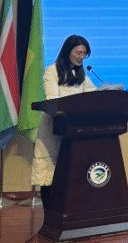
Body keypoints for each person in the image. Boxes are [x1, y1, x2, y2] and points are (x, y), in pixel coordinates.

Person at [30, 35, 96, 201]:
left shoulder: (81, 75)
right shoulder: (52, 71)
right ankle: (51, 208)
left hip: (74, 130)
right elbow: (52, 99)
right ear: (68, 51)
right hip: (55, 127)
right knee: (51, 173)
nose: (81, 57)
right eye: (78, 53)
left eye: (84, 54)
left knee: (71, 173)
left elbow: (94, 96)